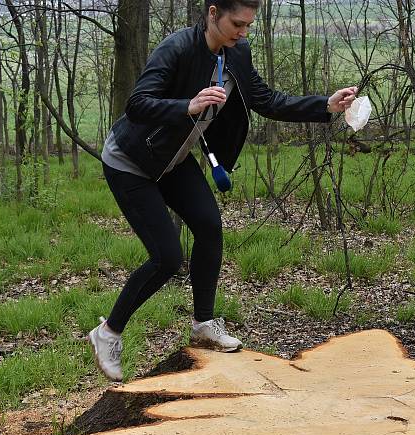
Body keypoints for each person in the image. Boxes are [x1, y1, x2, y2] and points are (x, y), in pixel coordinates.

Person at [89, 0, 357, 381]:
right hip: (130, 161)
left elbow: (265, 100)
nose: (243, 33)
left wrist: (325, 106)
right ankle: (108, 332)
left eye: (248, 25)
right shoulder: (177, 48)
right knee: (167, 257)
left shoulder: (237, 53)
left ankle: (203, 323)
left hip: (174, 161)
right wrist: (188, 105)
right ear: (213, 13)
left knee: (210, 227)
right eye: (237, 24)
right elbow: (137, 105)